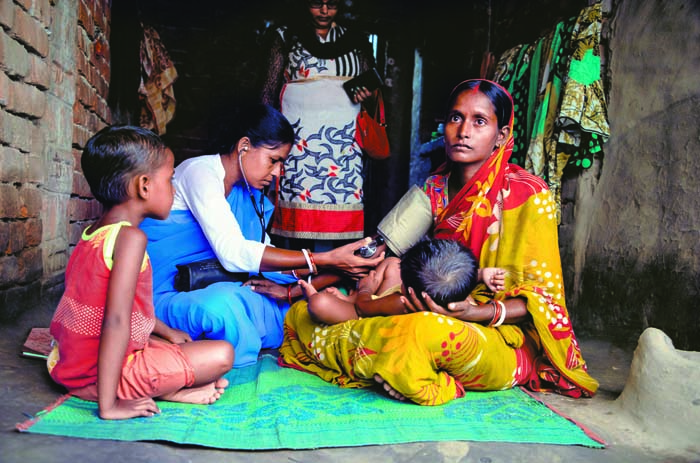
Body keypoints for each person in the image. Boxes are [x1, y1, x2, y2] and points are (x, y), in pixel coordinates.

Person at [278, 79, 599, 405]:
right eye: (455, 118)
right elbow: (374, 251)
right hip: (427, 311)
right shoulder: (434, 187)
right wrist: (293, 289)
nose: (463, 131)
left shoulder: (528, 195)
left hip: (497, 334)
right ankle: (403, 366)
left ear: (501, 135)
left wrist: (474, 313)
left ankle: (422, 376)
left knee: (422, 333)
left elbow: (543, 305)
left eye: (479, 121)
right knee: (305, 313)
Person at [140, 104, 383, 368]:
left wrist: (331, 270)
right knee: (221, 307)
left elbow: (264, 259)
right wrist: (325, 258)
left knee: (291, 303)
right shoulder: (201, 172)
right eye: (274, 160)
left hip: (226, 283)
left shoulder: (249, 193)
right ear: (244, 145)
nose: (278, 172)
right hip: (172, 289)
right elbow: (234, 254)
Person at [47, 126, 234, 420]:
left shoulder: (92, 234)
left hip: (69, 362)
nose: (173, 189)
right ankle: (149, 391)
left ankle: (165, 387)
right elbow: (116, 320)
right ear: (144, 186)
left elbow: (112, 306)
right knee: (222, 355)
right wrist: (109, 407)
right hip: (97, 376)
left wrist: (167, 332)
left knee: (178, 345)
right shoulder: (131, 239)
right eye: (170, 179)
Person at [260, 0, 377, 252]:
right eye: (317, 4)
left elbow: (374, 88)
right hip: (299, 141)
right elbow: (268, 91)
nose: (324, 11)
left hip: (342, 142)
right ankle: (295, 270)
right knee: (296, 202)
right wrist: (266, 135)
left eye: (331, 4)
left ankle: (332, 274)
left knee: (342, 200)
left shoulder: (356, 39)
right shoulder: (286, 35)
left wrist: (368, 93)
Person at [299, 238, 506, 324]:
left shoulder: (400, 302)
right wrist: (480, 274)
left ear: (407, 290)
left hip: (369, 311)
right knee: (392, 263)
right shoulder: (463, 303)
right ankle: (347, 297)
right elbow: (459, 277)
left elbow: (364, 309)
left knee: (320, 304)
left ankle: (344, 298)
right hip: (383, 303)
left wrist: (365, 289)